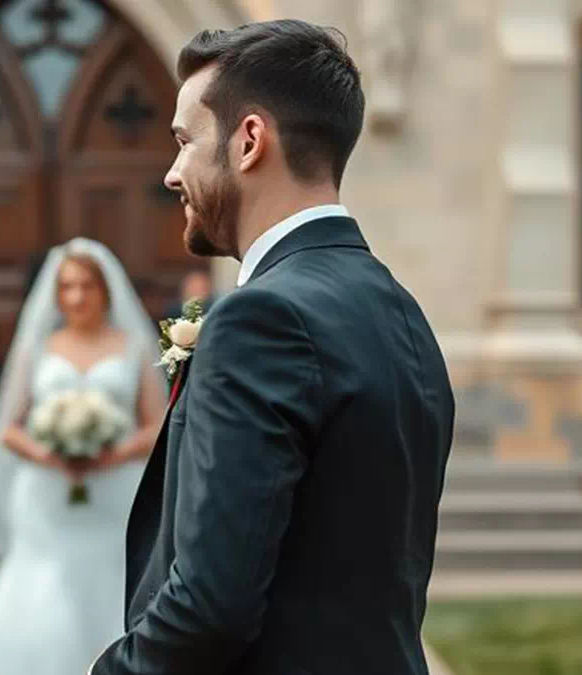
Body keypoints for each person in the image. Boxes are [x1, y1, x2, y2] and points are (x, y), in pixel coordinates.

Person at [91, 21, 454, 675]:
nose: (172, 174)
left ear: (250, 140)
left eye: (184, 142)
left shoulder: (261, 319)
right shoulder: (403, 313)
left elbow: (210, 605)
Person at [0, 238, 165, 675]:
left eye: (87, 285)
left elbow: (158, 423)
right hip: (46, 492)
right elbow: (7, 428)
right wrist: (50, 454)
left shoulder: (133, 346)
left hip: (115, 490)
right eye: (67, 286)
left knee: (112, 581)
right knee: (41, 584)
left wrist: (115, 452)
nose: (77, 296)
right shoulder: (40, 348)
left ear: (105, 290)